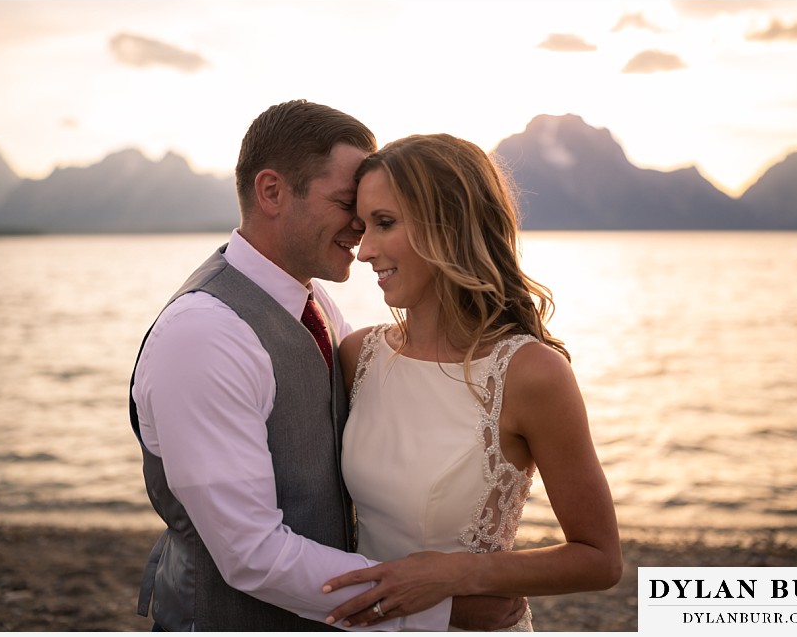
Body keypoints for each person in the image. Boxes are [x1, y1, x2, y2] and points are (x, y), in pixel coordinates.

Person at [128, 101, 525, 631]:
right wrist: (439, 604)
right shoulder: (202, 333)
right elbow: (251, 553)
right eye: (346, 204)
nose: (362, 229)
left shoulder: (319, 308)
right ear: (271, 192)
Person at [321, 134, 623, 630]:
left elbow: (599, 559)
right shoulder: (359, 356)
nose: (365, 250)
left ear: (451, 228)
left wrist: (462, 575)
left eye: (385, 223)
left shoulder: (531, 373)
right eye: (362, 226)